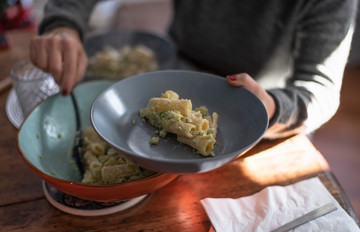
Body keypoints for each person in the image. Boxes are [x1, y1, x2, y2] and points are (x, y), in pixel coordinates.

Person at [29, 0, 358, 139]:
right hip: (177, 71)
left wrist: (271, 107)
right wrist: (64, 24)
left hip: (266, 113)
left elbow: (320, 91)